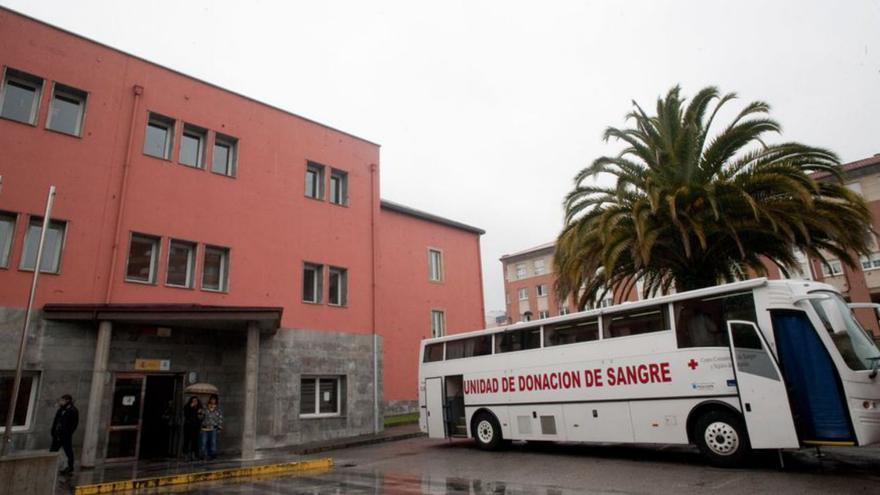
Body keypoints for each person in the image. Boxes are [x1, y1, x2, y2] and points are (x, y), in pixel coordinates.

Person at [50, 394, 79, 475]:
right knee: (53, 451)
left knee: (68, 451)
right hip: (57, 434)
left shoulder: (73, 411)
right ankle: (50, 466)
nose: (60, 402)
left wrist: (67, 433)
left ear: (67, 401)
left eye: (62, 400)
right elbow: (56, 421)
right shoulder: (61, 410)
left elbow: (74, 424)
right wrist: (53, 431)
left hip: (65, 436)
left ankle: (70, 467)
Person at [200, 394, 223, 460]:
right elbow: (201, 417)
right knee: (204, 442)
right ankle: (204, 454)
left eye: (214, 399)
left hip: (213, 428)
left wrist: (219, 427)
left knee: (213, 442)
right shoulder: (205, 408)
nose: (213, 401)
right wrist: (201, 412)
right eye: (212, 399)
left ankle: (212, 454)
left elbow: (220, 418)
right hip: (205, 427)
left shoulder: (218, 409)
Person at [182, 396, 202, 461]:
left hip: (196, 427)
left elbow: (201, 417)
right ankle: (186, 455)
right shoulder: (187, 407)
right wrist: (190, 407)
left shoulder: (199, 408)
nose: (194, 402)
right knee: (186, 441)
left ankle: (193, 455)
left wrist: (200, 413)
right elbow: (186, 414)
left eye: (196, 401)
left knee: (195, 441)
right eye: (193, 401)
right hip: (188, 426)